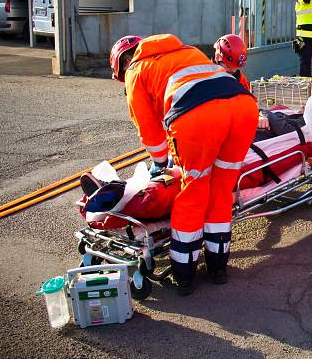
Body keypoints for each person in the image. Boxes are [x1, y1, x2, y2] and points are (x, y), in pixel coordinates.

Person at [109, 34, 259, 295]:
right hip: (243, 108)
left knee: (193, 191)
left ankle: (185, 274)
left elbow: (147, 128)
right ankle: (218, 267)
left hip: (198, 117)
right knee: (221, 190)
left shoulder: (136, 70)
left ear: (121, 65)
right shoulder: (187, 51)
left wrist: (160, 162)